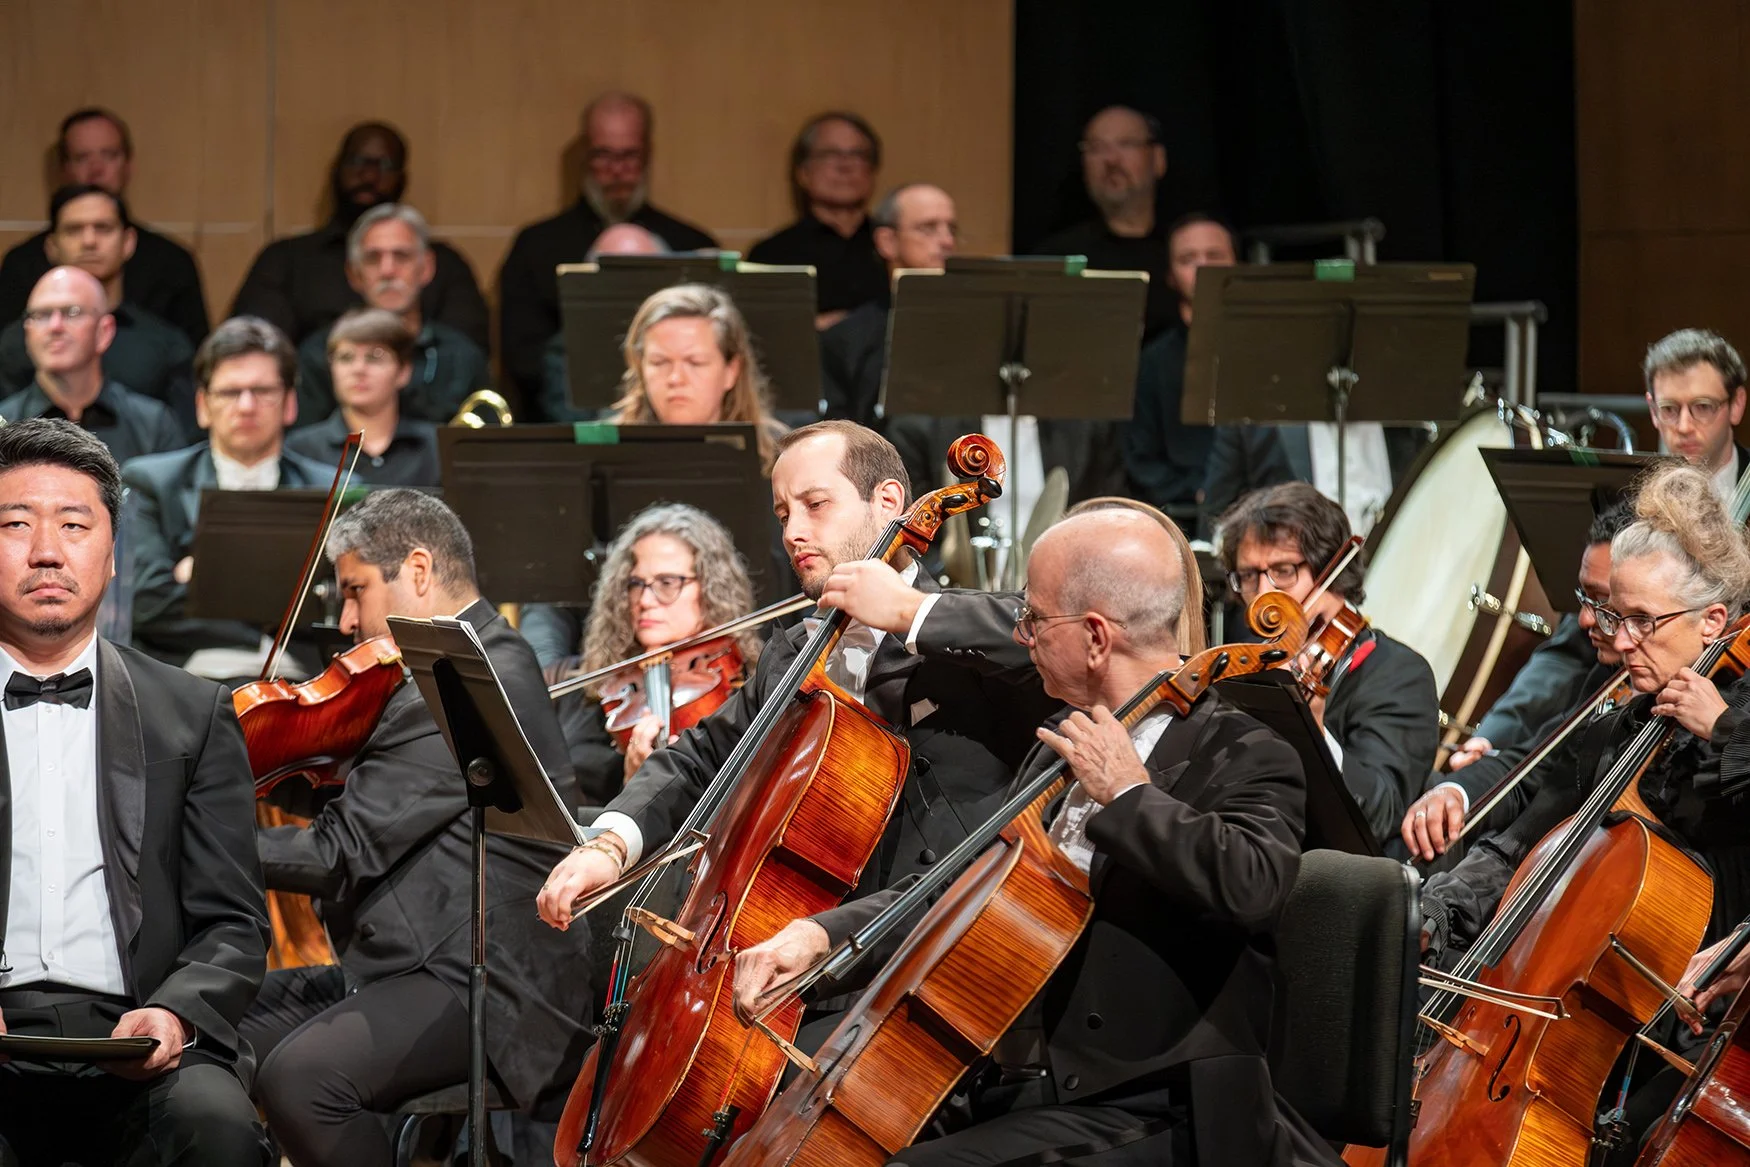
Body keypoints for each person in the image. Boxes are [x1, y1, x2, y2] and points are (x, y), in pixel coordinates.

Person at [731, 508, 1338, 1166]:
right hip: (1026, 1084)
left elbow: (1254, 886)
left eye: (1035, 618)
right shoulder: (1061, 743)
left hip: (1160, 1102)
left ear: (1097, 637)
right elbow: (962, 880)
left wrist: (1130, 796)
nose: (1022, 635)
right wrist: (820, 938)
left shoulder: (1246, 751)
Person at [536, 419, 1058, 932]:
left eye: (816, 505)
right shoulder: (793, 651)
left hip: (935, 943)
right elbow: (700, 757)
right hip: (794, 946)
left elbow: (1057, 639)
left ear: (889, 503)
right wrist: (610, 844)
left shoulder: (961, 630)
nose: (793, 532)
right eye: (784, 513)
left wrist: (909, 612)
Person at [242, 489, 592, 1167]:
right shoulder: (434, 663)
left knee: (303, 1078)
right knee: (221, 1030)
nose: (345, 620)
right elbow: (371, 806)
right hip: (412, 957)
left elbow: (343, 850)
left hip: (491, 979)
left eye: (356, 592)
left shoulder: (471, 672)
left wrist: (203, 841)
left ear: (420, 570)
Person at [1421, 463, 1750, 1148]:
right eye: (1612, 616)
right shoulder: (1628, 717)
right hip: (1604, 1025)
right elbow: (1531, 838)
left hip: (1703, 1024)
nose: (1620, 640)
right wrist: (1439, 906)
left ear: (1714, 620)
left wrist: (1722, 727)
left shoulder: (1736, 720)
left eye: (1641, 621)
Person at [0, 419, 270, 1166]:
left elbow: (235, 922)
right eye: (15, 524)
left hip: (138, 1029)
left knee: (218, 1132)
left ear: (113, 553)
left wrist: (177, 1010)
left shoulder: (194, 710)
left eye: (74, 524)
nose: (46, 549)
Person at [519, 283, 790, 673]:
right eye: (660, 363)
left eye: (695, 363)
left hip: (750, 675)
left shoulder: (779, 460)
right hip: (618, 676)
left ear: (732, 370)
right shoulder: (595, 458)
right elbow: (550, 592)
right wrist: (548, 670)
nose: (675, 378)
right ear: (639, 368)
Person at [1400, 502, 1632, 860]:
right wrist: (1453, 792)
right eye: (1584, 598)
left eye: (1603, 602)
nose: (1586, 620)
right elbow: (1529, 765)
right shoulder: (1607, 679)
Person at [1217, 481, 1440, 848]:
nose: (1263, 594)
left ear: (1329, 569)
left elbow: (1382, 811)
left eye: (1283, 570)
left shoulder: (1398, 673)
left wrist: (1314, 730)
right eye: (1248, 576)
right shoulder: (1251, 668)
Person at [122, 317, 330, 672]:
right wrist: (268, 620)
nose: (247, 406)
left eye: (263, 391)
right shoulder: (151, 480)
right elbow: (147, 602)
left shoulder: (331, 488)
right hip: (182, 678)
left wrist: (206, 578)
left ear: (289, 403)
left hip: (306, 680)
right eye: (231, 392)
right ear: (203, 405)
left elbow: (339, 607)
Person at [500, 92, 716, 410]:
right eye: (604, 155)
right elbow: (524, 359)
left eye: (629, 156)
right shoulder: (537, 245)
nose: (617, 171)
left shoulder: (690, 242)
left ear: (647, 155)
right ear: (586, 156)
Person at [552, 502, 765, 807]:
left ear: (711, 589)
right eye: (636, 584)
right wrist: (631, 788)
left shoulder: (749, 692)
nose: (645, 599)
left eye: (668, 583)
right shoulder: (598, 695)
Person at [231, 122, 489, 350]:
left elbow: (463, 356)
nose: (369, 175)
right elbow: (256, 351)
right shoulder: (287, 260)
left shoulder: (443, 264)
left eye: (385, 165)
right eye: (357, 161)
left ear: (402, 179)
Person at [0, 109, 209, 347]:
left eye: (109, 155)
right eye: (82, 158)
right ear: (64, 169)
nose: (96, 169)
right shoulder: (22, 264)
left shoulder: (172, 262)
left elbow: (199, 360)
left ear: (128, 165)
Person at [0, 186, 195, 428]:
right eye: (74, 230)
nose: (89, 241)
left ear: (128, 241)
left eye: (103, 228)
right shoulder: (13, 344)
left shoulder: (167, 346)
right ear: (51, 246)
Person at [292, 204, 489, 424]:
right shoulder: (318, 354)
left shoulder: (462, 356)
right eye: (373, 258)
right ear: (353, 273)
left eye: (401, 256)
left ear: (426, 267)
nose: (387, 270)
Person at [0, 266, 183, 465]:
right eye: (41, 315)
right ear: (27, 332)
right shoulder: (4, 425)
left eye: (71, 312)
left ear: (104, 331)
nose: (55, 326)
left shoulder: (153, 426)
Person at [1124, 213, 1237, 519]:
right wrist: (1197, 490)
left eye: (1214, 256)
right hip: (1185, 516)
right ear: (1171, 275)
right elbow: (1139, 459)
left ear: (1237, 264)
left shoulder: (1270, 349)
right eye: (1188, 259)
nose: (1203, 267)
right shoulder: (1151, 362)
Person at [818, 182, 958, 426]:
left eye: (951, 229)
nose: (947, 241)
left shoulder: (979, 326)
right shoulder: (846, 339)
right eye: (928, 228)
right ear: (887, 241)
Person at [1031, 106, 1175, 338]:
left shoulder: (1185, 252)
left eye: (1126, 144)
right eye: (1096, 148)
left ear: (1158, 159)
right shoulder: (1057, 259)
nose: (1111, 160)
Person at [748, 112, 887, 329]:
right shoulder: (771, 254)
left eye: (858, 154)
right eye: (830, 154)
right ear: (803, 173)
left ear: (872, 171)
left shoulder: (892, 246)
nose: (845, 166)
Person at [285, 308, 440, 486]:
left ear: (404, 371)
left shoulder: (437, 448)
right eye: (345, 358)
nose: (358, 369)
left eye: (374, 358)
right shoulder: (299, 450)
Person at [536, 221, 673, 423]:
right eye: (617, 279)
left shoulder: (690, 339)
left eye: (641, 277)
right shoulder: (565, 350)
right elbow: (573, 428)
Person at [1642, 328, 1749, 500]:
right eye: (1669, 409)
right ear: (1653, 411)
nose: (1684, 427)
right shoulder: (1622, 500)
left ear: (1736, 404)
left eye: (1703, 406)